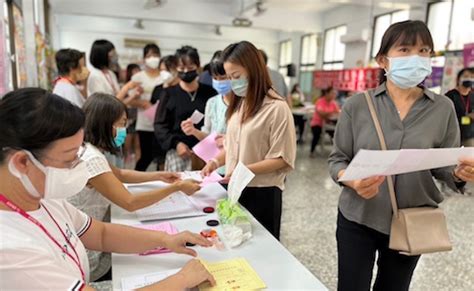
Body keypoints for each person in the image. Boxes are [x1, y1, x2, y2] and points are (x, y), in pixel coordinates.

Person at [0, 88, 216, 290]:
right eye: (68, 158)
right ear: (22, 163)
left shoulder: (43, 198)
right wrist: (180, 280)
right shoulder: (9, 248)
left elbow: (100, 233)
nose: (77, 164)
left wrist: (164, 240)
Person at [328, 20, 474, 291]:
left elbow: (444, 165)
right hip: (357, 216)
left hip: (412, 217)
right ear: (383, 60)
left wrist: (458, 173)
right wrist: (351, 180)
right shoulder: (358, 106)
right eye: (405, 49)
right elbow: (337, 159)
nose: (416, 57)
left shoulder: (442, 108)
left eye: (424, 50)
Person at [68, 92, 202, 281]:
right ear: (105, 124)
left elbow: (120, 174)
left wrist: (158, 176)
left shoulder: (88, 149)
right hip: (88, 250)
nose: (125, 129)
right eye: (122, 123)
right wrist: (176, 187)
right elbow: (130, 202)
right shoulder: (91, 158)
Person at [201, 41, 296, 240]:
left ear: (254, 70)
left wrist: (245, 170)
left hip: (262, 193)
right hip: (235, 188)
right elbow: (234, 146)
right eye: (229, 77)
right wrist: (216, 161)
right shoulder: (239, 105)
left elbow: (282, 158)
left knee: (263, 254)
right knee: (237, 246)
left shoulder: (276, 108)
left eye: (236, 76)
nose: (232, 83)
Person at [154, 46, 217, 172]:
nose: (186, 71)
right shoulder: (168, 93)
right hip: (179, 152)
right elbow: (160, 125)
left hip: (207, 153)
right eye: (181, 68)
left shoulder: (209, 92)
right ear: (176, 68)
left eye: (190, 68)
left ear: (198, 67)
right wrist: (176, 144)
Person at [180, 50, 231, 174]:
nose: (219, 82)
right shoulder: (212, 103)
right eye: (215, 78)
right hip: (216, 167)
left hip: (237, 166)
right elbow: (208, 135)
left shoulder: (244, 104)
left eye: (223, 78)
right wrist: (194, 131)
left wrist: (229, 140)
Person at [129, 44, 168, 171]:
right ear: (144, 58)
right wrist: (144, 103)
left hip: (163, 123)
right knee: (147, 156)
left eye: (155, 55)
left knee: (162, 157)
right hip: (145, 123)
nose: (153, 58)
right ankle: (135, 178)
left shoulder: (164, 76)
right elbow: (130, 100)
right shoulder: (138, 77)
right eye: (149, 55)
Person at [87, 39, 141, 104]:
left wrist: (133, 95)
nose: (116, 55)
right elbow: (105, 104)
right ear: (103, 55)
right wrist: (126, 87)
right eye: (113, 53)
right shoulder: (95, 75)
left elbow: (119, 102)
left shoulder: (111, 74)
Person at [445, 68, 474, 146]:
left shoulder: (472, 96)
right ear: (458, 79)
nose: (470, 79)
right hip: (453, 134)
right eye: (466, 76)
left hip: (470, 134)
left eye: (472, 77)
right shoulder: (450, 95)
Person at [310, 87, 340, 157]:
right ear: (327, 93)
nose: (334, 95)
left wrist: (328, 113)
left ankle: (336, 153)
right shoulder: (320, 101)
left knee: (336, 135)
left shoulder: (333, 103)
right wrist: (332, 112)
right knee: (316, 134)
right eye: (332, 93)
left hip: (329, 124)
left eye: (334, 94)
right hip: (317, 123)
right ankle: (312, 151)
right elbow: (321, 114)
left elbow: (338, 113)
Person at [124, 63, 141, 166]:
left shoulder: (141, 87)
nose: (137, 73)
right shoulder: (125, 87)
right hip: (128, 119)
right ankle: (126, 166)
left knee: (138, 145)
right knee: (127, 146)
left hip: (139, 118)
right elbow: (124, 102)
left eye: (138, 71)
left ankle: (138, 167)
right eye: (134, 71)